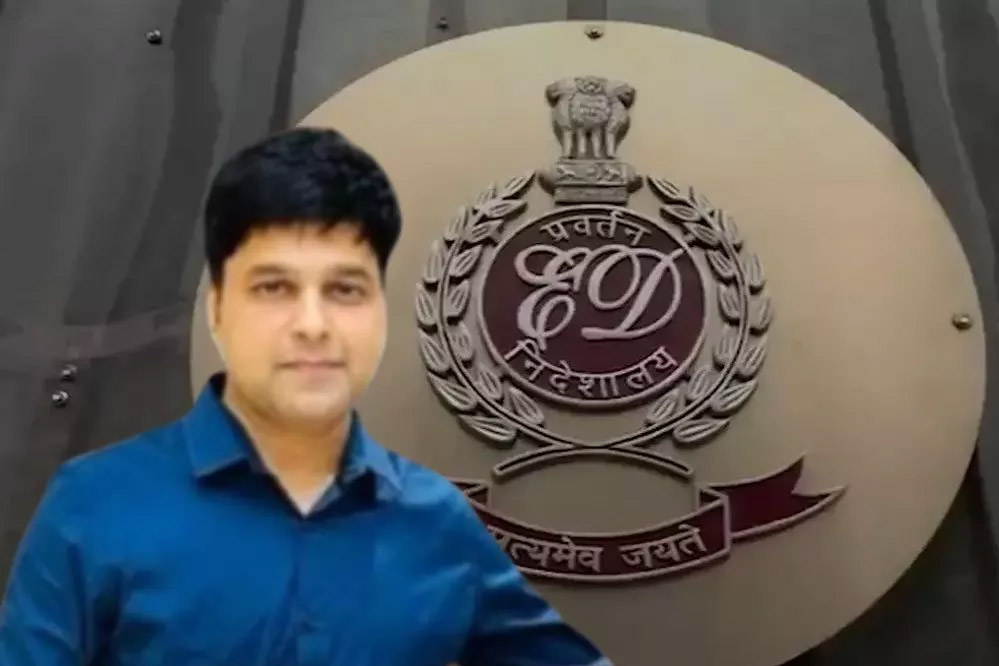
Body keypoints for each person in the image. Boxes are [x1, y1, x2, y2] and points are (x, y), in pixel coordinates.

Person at [0, 128, 612, 665]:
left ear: (381, 313)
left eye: (345, 290)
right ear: (217, 310)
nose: (313, 325)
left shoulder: (436, 522)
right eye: (274, 288)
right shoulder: (94, 507)